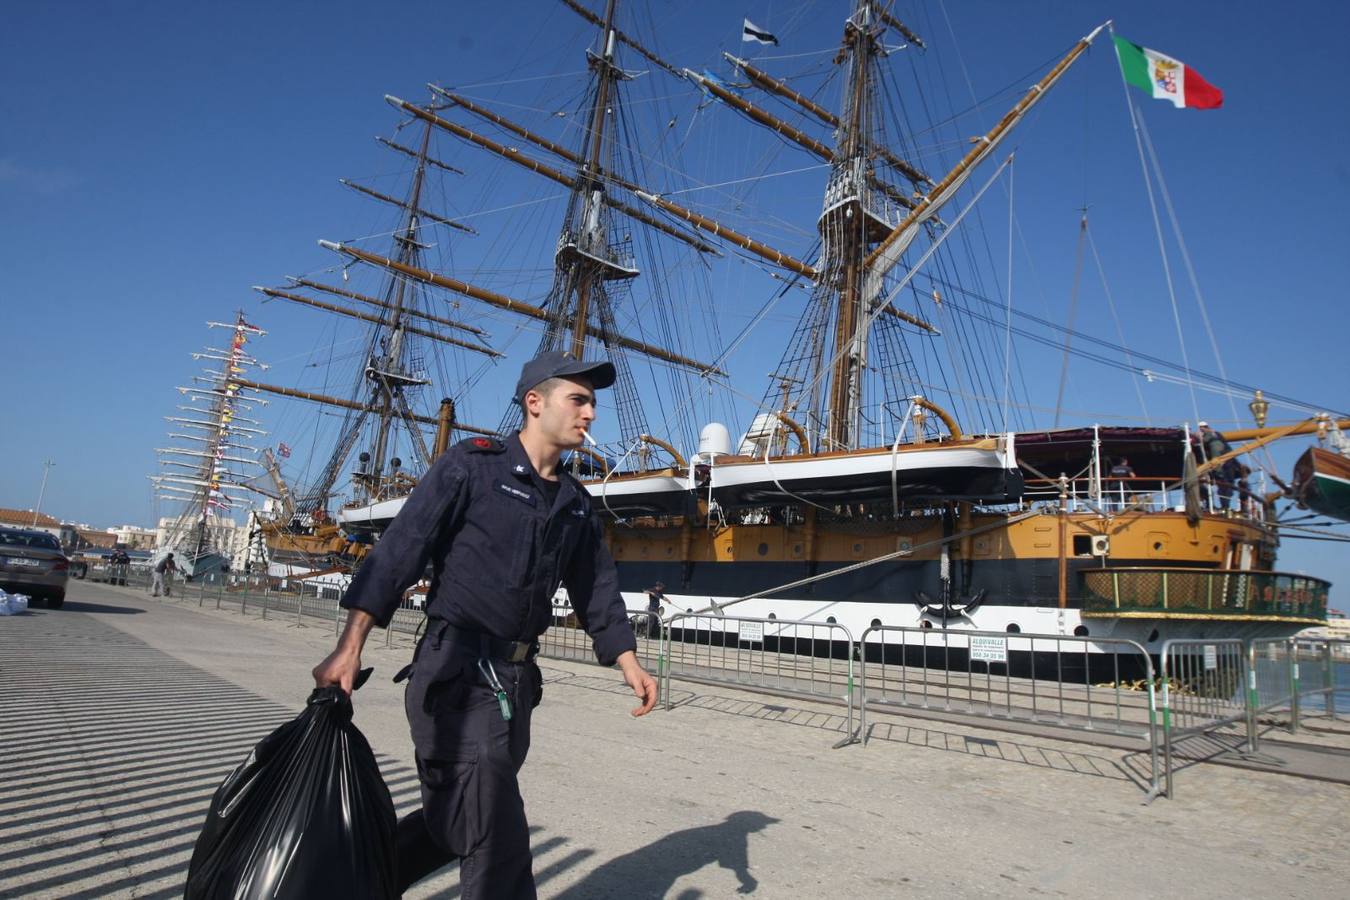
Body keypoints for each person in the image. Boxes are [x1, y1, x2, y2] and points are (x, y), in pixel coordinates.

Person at [312, 351, 658, 899]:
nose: (590, 413)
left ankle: (346, 886)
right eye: (579, 399)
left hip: (515, 684)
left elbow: (596, 588)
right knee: (496, 832)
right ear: (535, 402)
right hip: (456, 674)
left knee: (462, 816)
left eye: (593, 402)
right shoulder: (471, 466)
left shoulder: (574, 503)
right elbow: (400, 552)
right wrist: (349, 646)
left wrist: (628, 660)